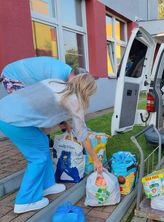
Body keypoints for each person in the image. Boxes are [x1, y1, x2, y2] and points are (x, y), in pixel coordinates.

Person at [0, 73, 103, 214]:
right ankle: (25, 201)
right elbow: (83, 135)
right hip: (11, 119)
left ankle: (48, 184)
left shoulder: (55, 82)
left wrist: (63, 122)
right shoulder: (75, 100)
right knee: (38, 158)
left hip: (7, 108)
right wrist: (96, 159)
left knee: (42, 142)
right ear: (87, 90)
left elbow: (44, 103)